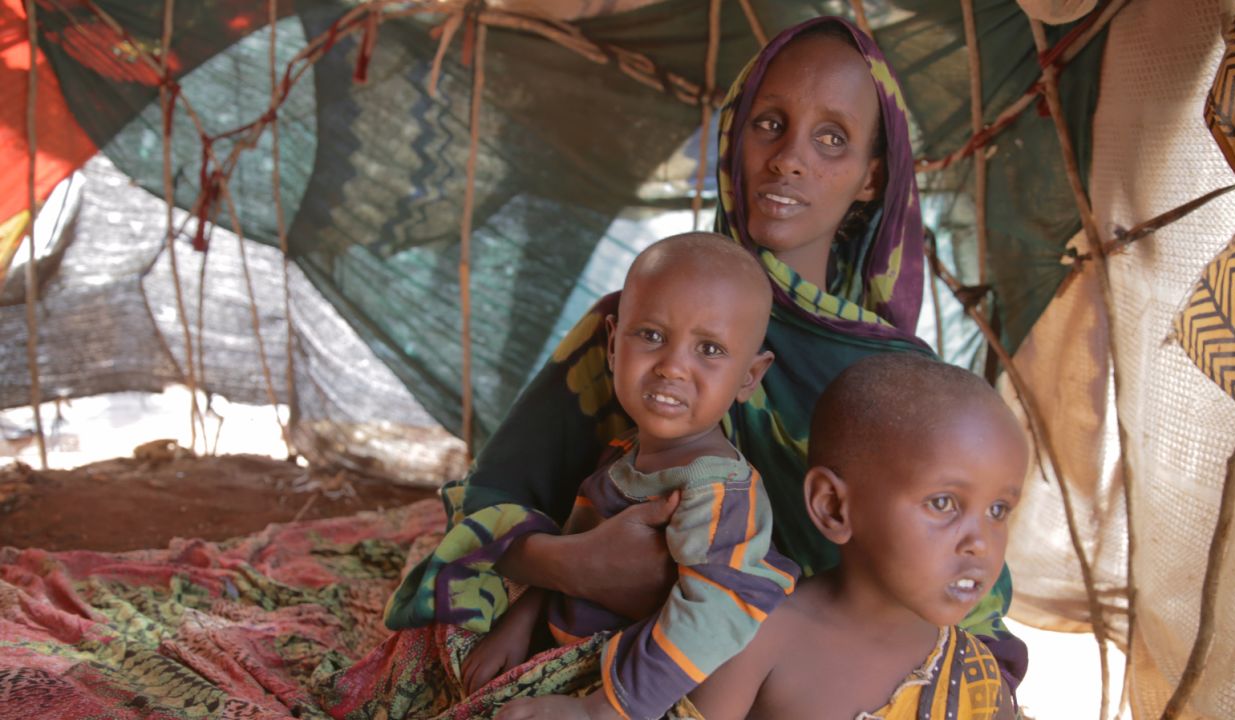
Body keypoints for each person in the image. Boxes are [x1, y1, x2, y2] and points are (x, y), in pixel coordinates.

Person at [379, 12, 1026, 704]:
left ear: (872, 177)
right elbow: (496, 497)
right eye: (767, 123)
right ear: (731, 136)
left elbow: (966, 606)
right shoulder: (626, 325)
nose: (789, 159)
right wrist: (567, 567)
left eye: (831, 138)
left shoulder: (897, 386)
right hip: (594, 652)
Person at [405, 231, 796, 720]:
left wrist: (599, 710)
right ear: (613, 345)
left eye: (710, 350)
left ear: (749, 377)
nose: (672, 367)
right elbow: (574, 542)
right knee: (431, 632)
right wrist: (520, 622)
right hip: (570, 656)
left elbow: (713, 614)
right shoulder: (623, 451)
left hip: (638, 693)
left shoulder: (716, 491)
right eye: (651, 336)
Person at [684, 354, 1027, 720]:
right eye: (943, 503)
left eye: (998, 511)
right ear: (832, 506)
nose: (981, 542)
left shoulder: (976, 677)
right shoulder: (757, 640)